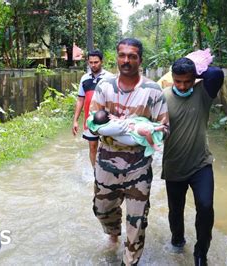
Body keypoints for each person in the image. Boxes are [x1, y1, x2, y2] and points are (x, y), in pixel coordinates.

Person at [89, 38, 169, 265]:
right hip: (107, 162)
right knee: (102, 209)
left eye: (132, 56)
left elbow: (165, 129)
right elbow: (93, 121)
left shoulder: (153, 91)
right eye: (122, 55)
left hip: (138, 165)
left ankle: (130, 260)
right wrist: (117, 127)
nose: (126, 60)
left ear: (140, 59)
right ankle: (113, 233)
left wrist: (145, 130)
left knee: (137, 221)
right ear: (116, 58)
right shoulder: (104, 87)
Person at [160, 49, 224, 266]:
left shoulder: (203, 93)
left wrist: (198, 70)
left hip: (200, 164)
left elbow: (216, 74)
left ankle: (200, 254)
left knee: (205, 208)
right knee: (175, 212)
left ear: (194, 79)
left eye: (187, 81)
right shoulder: (163, 98)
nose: (182, 86)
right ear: (172, 79)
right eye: (178, 81)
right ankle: (178, 241)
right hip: (174, 166)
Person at [72, 50, 112, 168]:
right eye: (91, 62)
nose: (93, 65)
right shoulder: (84, 79)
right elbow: (80, 99)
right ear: (88, 63)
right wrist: (75, 120)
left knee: (108, 146)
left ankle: (108, 171)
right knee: (92, 146)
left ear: (101, 62)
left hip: (107, 118)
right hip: (90, 119)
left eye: (96, 62)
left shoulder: (109, 78)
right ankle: (96, 173)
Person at [87, 110, 165, 157]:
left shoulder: (108, 125)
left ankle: (154, 134)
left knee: (145, 129)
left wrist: (119, 119)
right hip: (132, 133)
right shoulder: (106, 128)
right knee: (145, 130)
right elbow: (121, 126)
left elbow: (121, 124)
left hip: (131, 130)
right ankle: (153, 139)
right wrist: (120, 120)